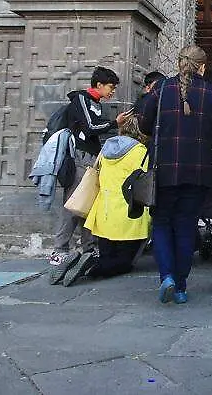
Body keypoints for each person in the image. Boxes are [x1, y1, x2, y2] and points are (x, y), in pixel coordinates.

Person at [140, 45, 212, 304]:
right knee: (185, 225)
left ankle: (166, 276)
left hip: (164, 170)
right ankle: (180, 286)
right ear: (203, 66)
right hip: (199, 172)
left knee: (160, 223)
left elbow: (145, 125)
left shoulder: (160, 89)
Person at [49, 66, 129, 282]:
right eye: (111, 87)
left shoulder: (95, 103)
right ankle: (59, 249)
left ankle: (88, 248)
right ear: (99, 85)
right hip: (81, 158)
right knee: (74, 203)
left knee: (89, 205)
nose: (112, 92)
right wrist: (115, 123)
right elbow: (91, 126)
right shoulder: (82, 100)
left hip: (91, 158)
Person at [61, 115, 154, 287]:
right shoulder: (141, 151)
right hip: (128, 214)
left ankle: (77, 261)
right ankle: (89, 266)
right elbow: (146, 183)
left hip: (103, 214)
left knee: (108, 255)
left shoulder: (107, 148)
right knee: (124, 263)